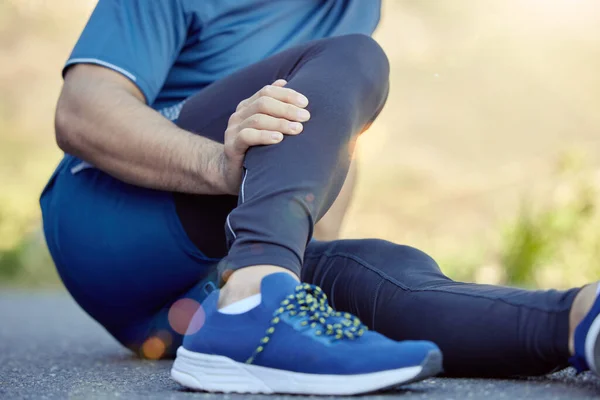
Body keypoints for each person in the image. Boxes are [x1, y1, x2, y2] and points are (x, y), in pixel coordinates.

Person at [40, 0, 600, 395]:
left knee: (379, 269)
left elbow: (324, 143)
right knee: (356, 57)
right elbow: (82, 109)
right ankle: (257, 302)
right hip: (109, 220)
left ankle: (578, 320)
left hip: (193, 298)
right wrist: (218, 165)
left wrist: (311, 264)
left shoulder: (356, 4)